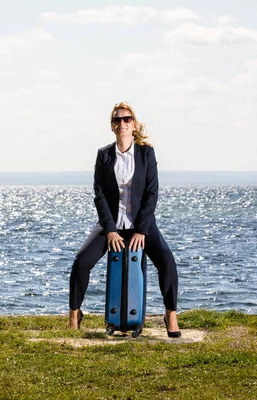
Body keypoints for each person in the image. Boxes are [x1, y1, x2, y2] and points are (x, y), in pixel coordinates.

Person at [68, 101, 181, 338]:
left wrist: (141, 230)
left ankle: (170, 315)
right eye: (117, 120)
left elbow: (152, 193)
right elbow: (99, 195)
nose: (122, 123)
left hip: (142, 226)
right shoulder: (104, 155)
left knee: (167, 262)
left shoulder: (146, 154)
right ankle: (74, 315)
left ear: (134, 124)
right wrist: (109, 230)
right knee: (81, 261)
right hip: (111, 226)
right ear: (112, 126)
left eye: (127, 119)